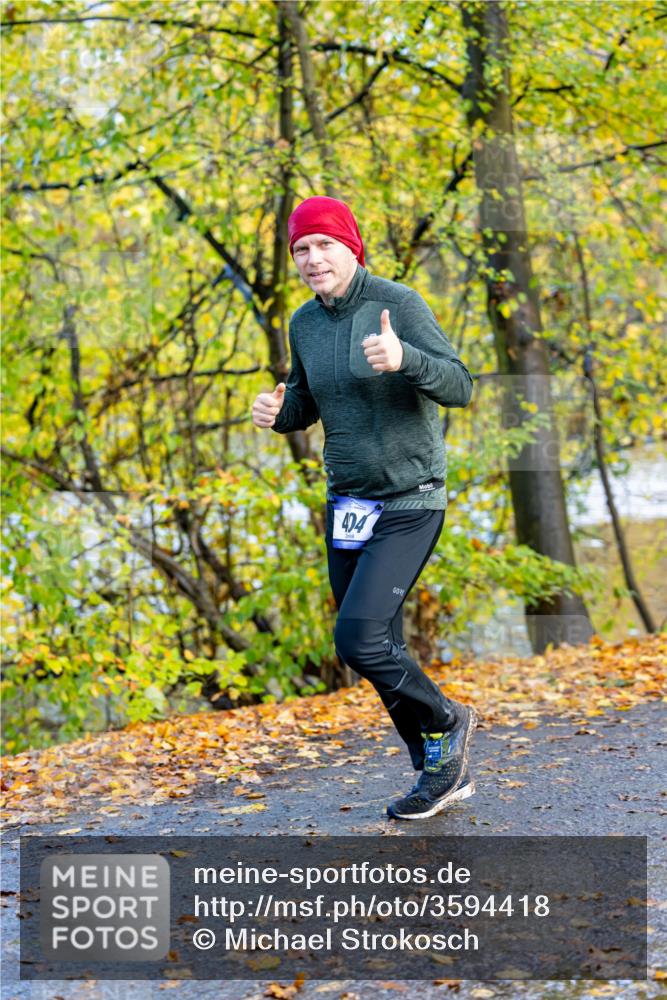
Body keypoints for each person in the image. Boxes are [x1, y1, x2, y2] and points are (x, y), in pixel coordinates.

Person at [251, 195, 477, 820]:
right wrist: (278, 414)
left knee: (357, 639)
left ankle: (448, 720)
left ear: (351, 246)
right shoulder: (304, 323)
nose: (312, 258)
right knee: (382, 646)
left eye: (324, 244)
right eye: (301, 249)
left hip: (410, 497)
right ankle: (437, 770)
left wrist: (406, 360)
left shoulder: (397, 305)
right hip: (348, 504)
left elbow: (460, 384)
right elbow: (305, 401)